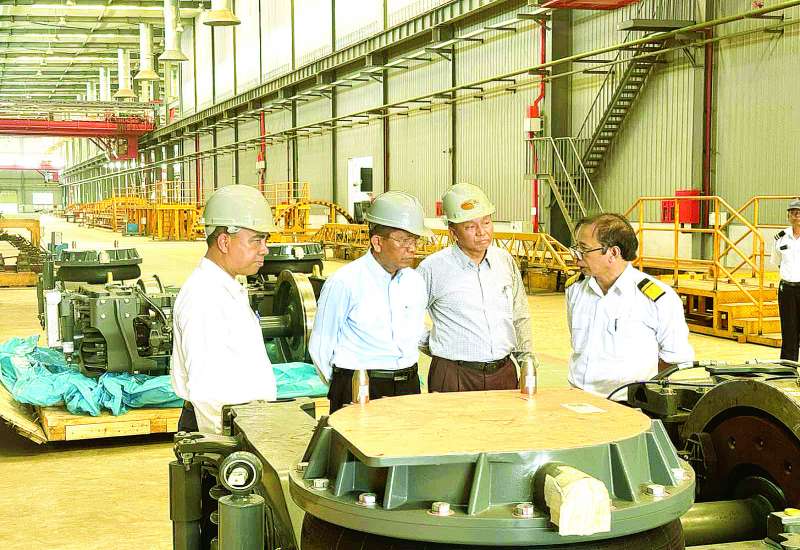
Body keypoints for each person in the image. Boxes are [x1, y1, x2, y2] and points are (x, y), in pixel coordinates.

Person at [309, 191, 431, 414]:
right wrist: (345, 386)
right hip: (359, 386)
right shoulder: (345, 282)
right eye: (403, 240)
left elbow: (415, 332)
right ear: (377, 242)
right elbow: (320, 346)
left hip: (408, 386)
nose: (412, 248)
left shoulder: (415, 282)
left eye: (415, 240)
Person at [171, 184, 277, 434]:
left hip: (242, 423)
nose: (264, 249)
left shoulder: (227, 288)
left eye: (265, 240)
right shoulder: (204, 297)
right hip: (222, 431)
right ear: (224, 242)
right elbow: (207, 391)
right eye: (256, 240)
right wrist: (231, 445)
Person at [417, 182, 535, 392]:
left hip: (504, 374)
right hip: (454, 375)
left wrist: (526, 359)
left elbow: (519, 314)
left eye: (487, 222)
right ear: (453, 232)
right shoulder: (432, 268)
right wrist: (434, 344)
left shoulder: (504, 261)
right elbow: (405, 316)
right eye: (470, 227)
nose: (482, 232)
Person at [565, 213, 694, 400]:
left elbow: (674, 359)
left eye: (584, 249)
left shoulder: (657, 299)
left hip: (628, 404)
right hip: (577, 399)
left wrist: (642, 393)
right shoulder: (575, 290)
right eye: (576, 248)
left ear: (613, 253)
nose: (576, 257)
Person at [772, 198, 800, 361]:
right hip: (787, 290)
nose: (797, 216)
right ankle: (789, 370)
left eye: (799, 213)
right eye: (793, 213)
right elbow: (777, 262)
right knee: (789, 331)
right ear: (788, 216)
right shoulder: (780, 238)